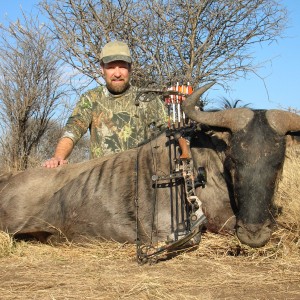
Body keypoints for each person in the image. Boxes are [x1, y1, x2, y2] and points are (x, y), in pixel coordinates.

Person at [43, 40, 167, 168]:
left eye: (122, 66)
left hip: (140, 176)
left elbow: (168, 131)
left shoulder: (147, 99)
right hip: (101, 179)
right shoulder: (91, 99)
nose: (117, 73)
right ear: (102, 69)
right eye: (111, 67)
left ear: (130, 68)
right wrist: (58, 157)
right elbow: (73, 130)